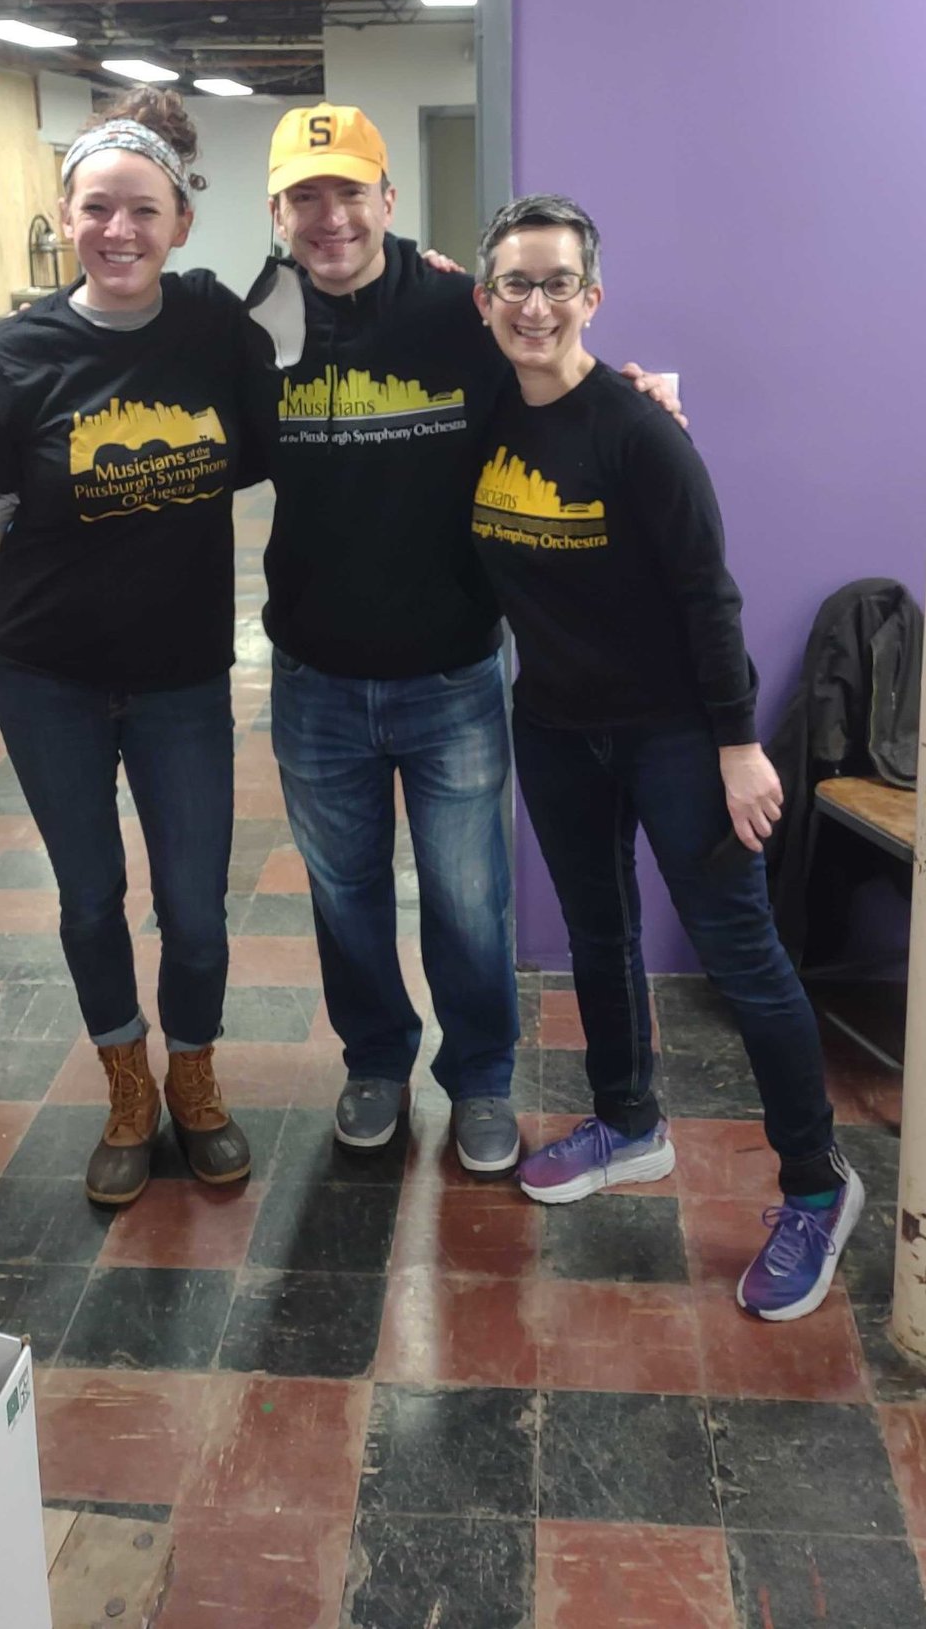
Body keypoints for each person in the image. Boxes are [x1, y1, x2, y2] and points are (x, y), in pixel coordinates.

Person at [245, 105, 683, 1174]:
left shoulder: (460, 307)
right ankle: (375, 1062)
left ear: (388, 200)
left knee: (469, 899)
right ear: (277, 212)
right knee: (344, 893)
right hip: (313, 675)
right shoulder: (255, 321)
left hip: (450, 672)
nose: (331, 216)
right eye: (306, 196)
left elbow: (557, 373)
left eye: (351, 191)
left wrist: (637, 393)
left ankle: (481, 1077)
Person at [470, 193, 862, 1320]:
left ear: (592, 297)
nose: (535, 304)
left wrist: (739, 745)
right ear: (487, 299)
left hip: (678, 735)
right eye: (514, 283)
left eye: (557, 283)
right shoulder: (485, 414)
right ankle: (627, 1124)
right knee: (598, 933)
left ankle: (816, 1185)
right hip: (554, 727)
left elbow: (707, 595)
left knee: (743, 957)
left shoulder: (641, 432)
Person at [0, 87, 270, 1206]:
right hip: (48, 678)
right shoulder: (11, 356)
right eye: (96, 208)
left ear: (181, 221)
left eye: (142, 209)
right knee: (90, 899)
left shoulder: (215, 328)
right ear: (66, 215)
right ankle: (127, 1085)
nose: (118, 230)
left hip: (181, 677)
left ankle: (195, 1078)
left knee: (195, 907)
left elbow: (317, 388)